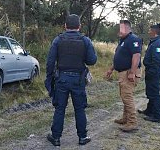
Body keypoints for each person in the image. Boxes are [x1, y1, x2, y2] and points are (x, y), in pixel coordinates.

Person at [44, 14, 97, 146]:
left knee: (60, 108)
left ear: (66, 26)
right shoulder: (85, 41)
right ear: (79, 26)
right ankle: (82, 137)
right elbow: (92, 60)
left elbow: (50, 62)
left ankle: (56, 138)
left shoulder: (58, 40)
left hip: (61, 79)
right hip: (78, 80)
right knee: (79, 109)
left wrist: (49, 79)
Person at [105, 20, 142, 132]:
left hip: (128, 73)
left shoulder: (133, 39)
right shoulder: (123, 41)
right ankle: (126, 118)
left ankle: (132, 122)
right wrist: (111, 69)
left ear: (128, 28)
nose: (119, 32)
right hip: (122, 73)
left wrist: (132, 72)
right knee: (124, 96)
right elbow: (119, 57)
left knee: (127, 97)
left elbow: (136, 56)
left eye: (122, 29)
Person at [138, 23, 160, 123]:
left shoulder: (158, 43)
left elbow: (158, 61)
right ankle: (149, 111)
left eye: (150, 30)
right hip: (153, 71)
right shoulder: (155, 42)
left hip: (154, 72)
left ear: (154, 31)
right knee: (151, 92)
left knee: (154, 94)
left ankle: (156, 116)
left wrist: (151, 71)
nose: (148, 32)